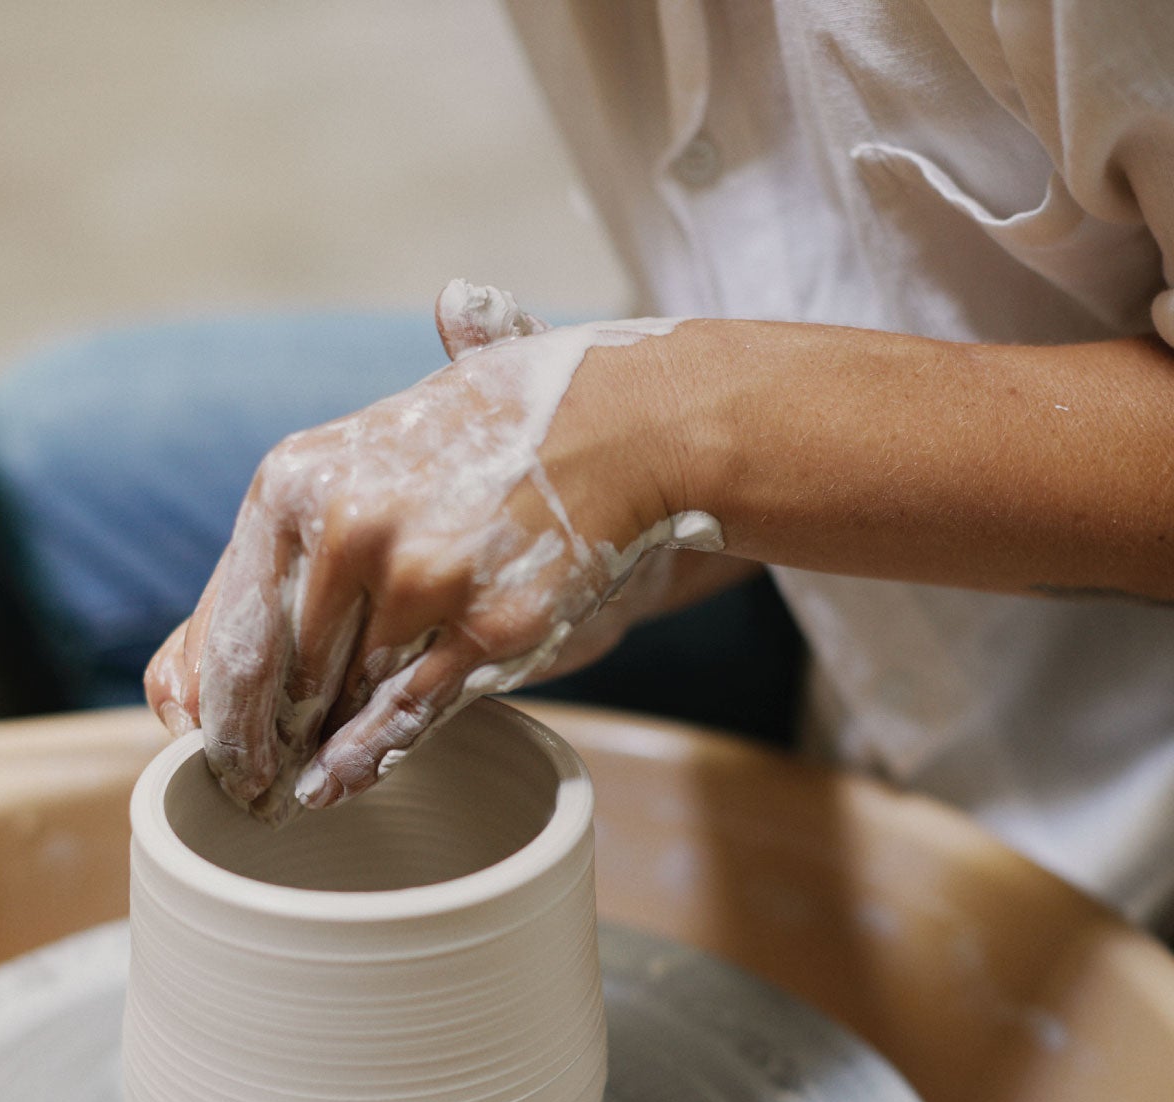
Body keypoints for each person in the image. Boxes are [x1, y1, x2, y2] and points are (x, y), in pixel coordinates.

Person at [136, 0, 1171, 934]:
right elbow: (813, 271)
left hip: (1131, 792)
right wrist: (620, 534)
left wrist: (667, 430)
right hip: (851, 630)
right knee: (60, 489)